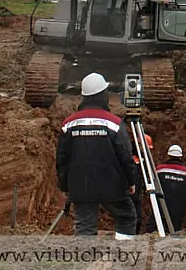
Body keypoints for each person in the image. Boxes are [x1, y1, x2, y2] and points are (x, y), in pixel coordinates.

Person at [55, 72, 138, 239]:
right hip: (112, 185)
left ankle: (85, 260)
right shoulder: (114, 123)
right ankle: (123, 255)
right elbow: (125, 156)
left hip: (81, 185)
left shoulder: (68, 124)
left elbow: (62, 159)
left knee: (84, 227)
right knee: (126, 217)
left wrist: (65, 185)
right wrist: (131, 181)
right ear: (103, 95)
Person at [154, 144, 186, 233]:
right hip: (178, 209)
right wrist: (183, 201)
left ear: (168, 155)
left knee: (157, 230)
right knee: (175, 231)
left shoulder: (159, 169)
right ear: (181, 157)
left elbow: (152, 185)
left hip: (161, 207)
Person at [130, 132, 153, 234]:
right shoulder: (130, 159)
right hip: (128, 194)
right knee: (129, 218)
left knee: (138, 219)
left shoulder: (144, 161)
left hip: (138, 195)